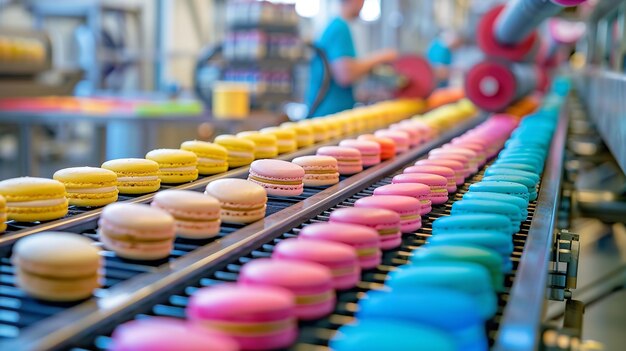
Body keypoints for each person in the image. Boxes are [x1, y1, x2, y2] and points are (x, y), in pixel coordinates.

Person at [306, 0, 398, 118]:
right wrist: (382, 57)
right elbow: (345, 75)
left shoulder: (334, 25)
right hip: (329, 116)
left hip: (329, 114)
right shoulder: (340, 27)